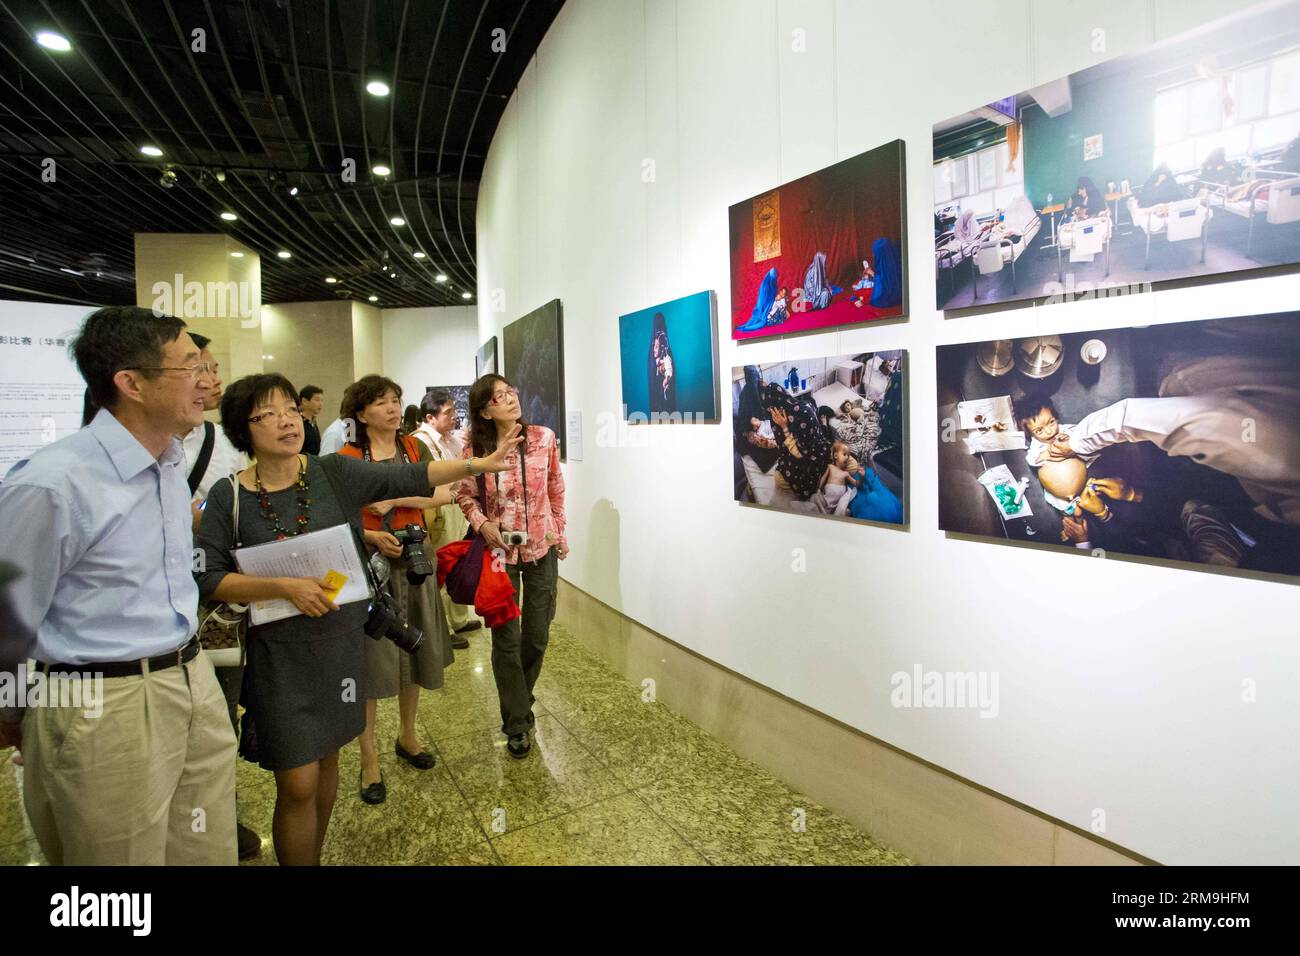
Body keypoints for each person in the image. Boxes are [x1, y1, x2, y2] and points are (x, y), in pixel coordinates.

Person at [194, 372, 520, 864]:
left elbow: (409, 477)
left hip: (337, 641)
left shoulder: (330, 473)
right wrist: (283, 588)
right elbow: (209, 575)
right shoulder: (229, 496)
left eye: (289, 409)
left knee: (327, 765)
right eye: (268, 414)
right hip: (278, 656)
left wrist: (479, 463)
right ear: (244, 428)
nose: (286, 421)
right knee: (297, 780)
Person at [0, 306, 237, 865]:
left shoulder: (168, 466)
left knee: (205, 849)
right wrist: (12, 711)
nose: (207, 380)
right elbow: (7, 614)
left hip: (190, 678)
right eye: (189, 366)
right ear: (131, 383)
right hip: (103, 702)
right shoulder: (53, 482)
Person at [339, 375, 455, 805]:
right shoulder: (348, 456)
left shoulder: (414, 449)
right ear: (361, 412)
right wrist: (371, 535)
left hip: (416, 556)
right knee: (372, 662)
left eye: (395, 401)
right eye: (382, 402)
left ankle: (407, 736)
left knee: (415, 648)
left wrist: (393, 500)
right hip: (370, 565)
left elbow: (443, 493)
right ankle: (368, 757)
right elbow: (339, 516)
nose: (392, 408)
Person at [457, 374, 568, 759]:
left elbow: (555, 489)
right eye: (499, 397)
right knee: (507, 640)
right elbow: (464, 494)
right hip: (499, 554)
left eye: (511, 392)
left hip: (541, 549)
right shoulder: (476, 447)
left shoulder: (544, 437)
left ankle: (520, 698)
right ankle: (517, 721)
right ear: (485, 410)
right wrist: (483, 525)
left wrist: (560, 533)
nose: (510, 400)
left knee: (537, 634)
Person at [412, 390, 483, 643]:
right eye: (448, 412)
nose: (454, 416)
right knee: (442, 567)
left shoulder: (449, 439)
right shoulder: (419, 442)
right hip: (439, 509)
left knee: (459, 564)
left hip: (457, 507)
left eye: (454, 410)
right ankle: (445, 630)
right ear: (430, 417)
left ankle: (459, 619)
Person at [182, 333, 248, 533]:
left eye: (215, 371)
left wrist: (206, 509)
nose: (213, 382)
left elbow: (238, 497)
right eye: (203, 372)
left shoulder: (224, 438)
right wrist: (184, 520)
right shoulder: (146, 443)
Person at [648, 314, 677, 413]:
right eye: (654, 346)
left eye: (657, 346)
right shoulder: (665, 351)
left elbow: (669, 372)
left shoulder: (665, 354)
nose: (654, 349)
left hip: (661, 402)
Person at [298, 384, 324, 455]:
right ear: (304, 401)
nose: (321, 404)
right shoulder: (298, 423)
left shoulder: (313, 423)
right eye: (317, 400)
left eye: (322, 400)